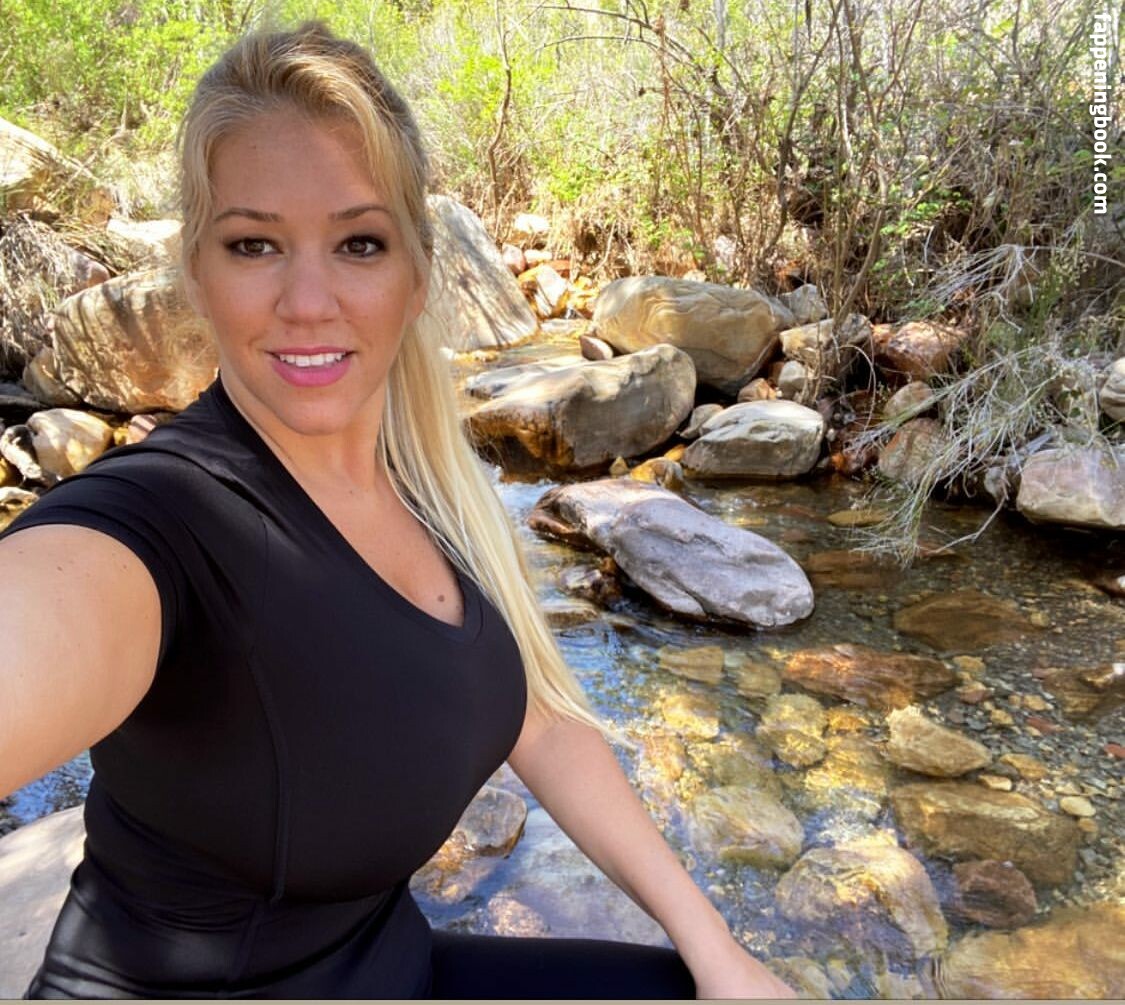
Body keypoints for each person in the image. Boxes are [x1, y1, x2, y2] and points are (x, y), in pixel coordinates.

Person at [0, 22, 796, 999]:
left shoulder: (431, 484)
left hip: (390, 969)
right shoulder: (158, 522)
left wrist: (716, 949)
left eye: (359, 243)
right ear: (197, 273)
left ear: (416, 273)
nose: (308, 301)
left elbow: (540, 720)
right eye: (254, 244)